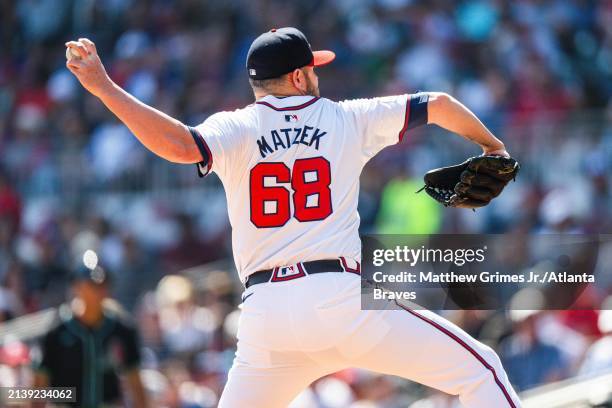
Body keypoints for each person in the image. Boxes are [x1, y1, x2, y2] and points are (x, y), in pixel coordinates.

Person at [65, 27, 521, 407]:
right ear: (300, 76)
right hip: (338, 298)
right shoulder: (346, 118)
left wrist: (103, 86)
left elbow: (180, 146)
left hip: (267, 318)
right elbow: (438, 103)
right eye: (314, 68)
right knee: (481, 372)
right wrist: (492, 147)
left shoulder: (237, 125)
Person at [33, 258, 148, 407]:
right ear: (76, 287)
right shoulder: (55, 331)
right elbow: (39, 385)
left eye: (102, 285)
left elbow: (135, 385)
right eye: (91, 285)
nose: (98, 291)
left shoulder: (122, 331)